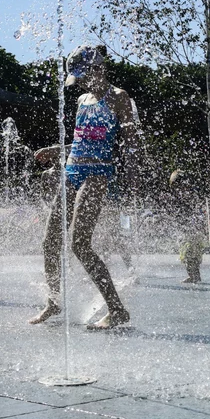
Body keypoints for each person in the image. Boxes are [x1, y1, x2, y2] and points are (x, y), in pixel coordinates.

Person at [29, 45, 139, 328]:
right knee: (50, 240)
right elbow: (80, 140)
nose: (82, 81)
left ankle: (116, 309)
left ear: (97, 69)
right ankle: (53, 302)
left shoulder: (119, 97)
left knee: (79, 244)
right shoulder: (81, 100)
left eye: (83, 75)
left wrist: (132, 174)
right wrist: (56, 149)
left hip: (98, 173)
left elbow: (129, 141)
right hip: (72, 170)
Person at [169, 169, 206, 283]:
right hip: (191, 230)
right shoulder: (187, 194)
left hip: (191, 230)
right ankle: (195, 276)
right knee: (191, 255)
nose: (177, 189)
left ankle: (194, 276)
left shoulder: (186, 195)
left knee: (188, 254)